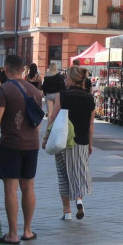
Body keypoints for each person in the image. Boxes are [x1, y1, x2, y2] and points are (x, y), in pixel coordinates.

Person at [0, 54, 43, 244]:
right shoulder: (35, 90)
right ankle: (27, 230)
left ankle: (12, 234)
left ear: (6, 69)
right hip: (31, 144)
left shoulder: (4, 89)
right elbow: (38, 122)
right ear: (22, 70)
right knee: (28, 187)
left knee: (11, 188)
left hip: (11, 144)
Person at [43, 65, 95, 221]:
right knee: (78, 172)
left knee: (63, 173)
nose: (64, 80)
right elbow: (91, 124)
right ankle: (79, 199)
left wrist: (46, 137)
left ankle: (67, 211)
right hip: (82, 140)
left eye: (66, 77)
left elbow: (52, 117)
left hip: (63, 139)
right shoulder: (89, 98)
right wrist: (90, 144)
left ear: (72, 79)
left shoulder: (62, 95)